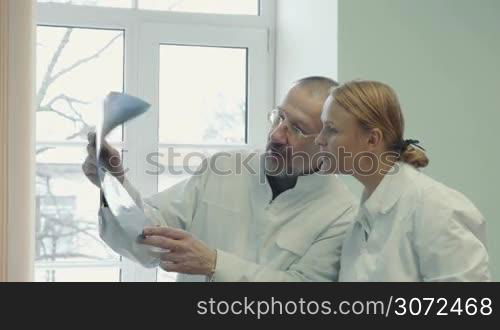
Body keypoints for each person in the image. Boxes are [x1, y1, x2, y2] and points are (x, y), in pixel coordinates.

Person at [83, 76, 358, 282]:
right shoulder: (225, 167)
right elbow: (150, 240)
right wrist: (113, 184)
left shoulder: (343, 215)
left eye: (296, 128)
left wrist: (214, 264)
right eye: (279, 117)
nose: (276, 135)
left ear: (327, 140)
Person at [315, 80, 491, 281]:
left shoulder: (437, 209)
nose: (319, 139)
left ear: (372, 139)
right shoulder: (361, 223)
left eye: (331, 129)